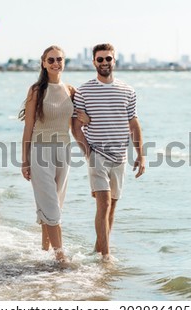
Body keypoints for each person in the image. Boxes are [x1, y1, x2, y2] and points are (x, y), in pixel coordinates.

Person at [72, 43, 145, 262]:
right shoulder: (84, 91)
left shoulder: (127, 90)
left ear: (115, 61)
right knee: (102, 203)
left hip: (120, 157)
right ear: (93, 62)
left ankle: (98, 249)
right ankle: (106, 257)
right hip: (97, 155)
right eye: (100, 59)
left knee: (112, 205)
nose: (104, 62)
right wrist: (88, 152)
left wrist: (141, 155)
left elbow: (134, 123)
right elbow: (75, 126)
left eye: (108, 59)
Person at [20, 45, 89, 264]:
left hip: (64, 152)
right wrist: (24, 161)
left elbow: (77, 125)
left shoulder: (70, 90)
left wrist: (89, 152)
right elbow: (28, 127)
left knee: (54, 204)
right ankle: (61, 259)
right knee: (51, 206)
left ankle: (43, 252)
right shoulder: (36, 90)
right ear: (43, 63)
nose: (55, 63)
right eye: (51, 60)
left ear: (64, 62)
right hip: (40, 152)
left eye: (59, 59)